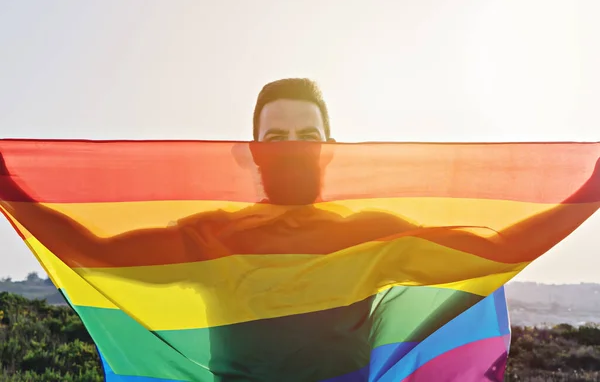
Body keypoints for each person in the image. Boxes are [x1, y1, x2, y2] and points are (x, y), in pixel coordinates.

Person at [1, 78, 599, 381]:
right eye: (276, 137)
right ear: (252, 152)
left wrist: (591, 190)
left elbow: (499, 248)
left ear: (330, 150)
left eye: (307, 137)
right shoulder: (210, 235)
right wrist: (7, 182)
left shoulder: (371, 234)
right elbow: (95, 253)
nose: (291, 150)